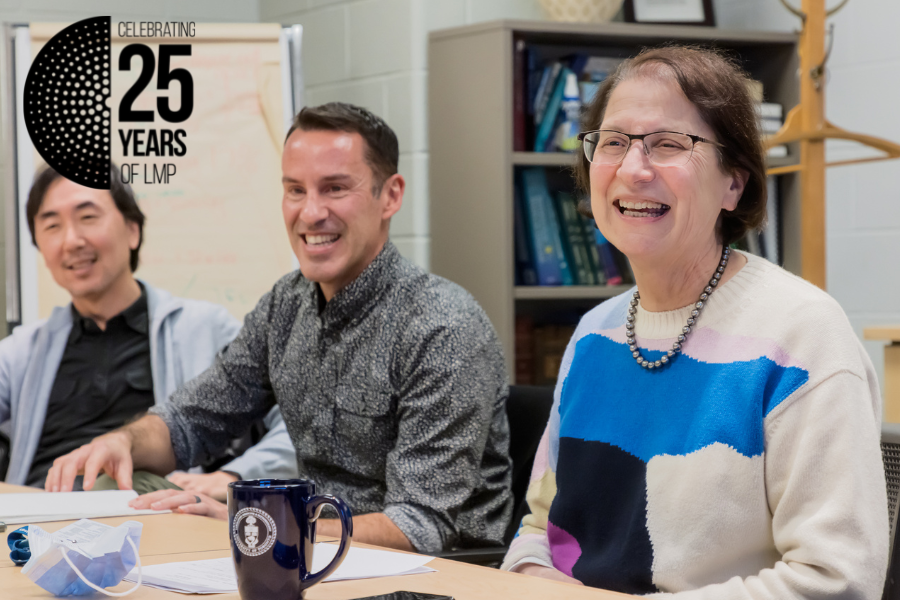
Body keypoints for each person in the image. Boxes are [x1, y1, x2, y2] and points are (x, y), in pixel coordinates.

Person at [501, 46, 888, 598]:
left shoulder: (801, 333)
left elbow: (836, 579)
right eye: (612, 143)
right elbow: (539, 531)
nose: (633, 170)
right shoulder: (595, 334)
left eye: (668, 145)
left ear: (734, 183)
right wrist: (533, 582)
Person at [47, 103, 512, 553]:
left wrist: (257, 524)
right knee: (126, 488)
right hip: (300, 554)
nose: (310, 213)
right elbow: (194, 419)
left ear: (390, 195)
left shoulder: (442, 326)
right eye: (295, 190)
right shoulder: (286, 305)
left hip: (423, 577)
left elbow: (421, 524)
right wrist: (121, 441)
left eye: (334, 188)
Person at [0, 165, 297, 491]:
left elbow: (299, 425)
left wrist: (235, 477)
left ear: (132, 231)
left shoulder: (204, 328)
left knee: (109, 485)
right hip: (35, 518)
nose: (71, 240)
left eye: (87, 217)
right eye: (52, 225)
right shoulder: (21, 351)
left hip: (149, 512)